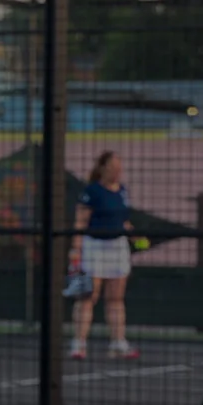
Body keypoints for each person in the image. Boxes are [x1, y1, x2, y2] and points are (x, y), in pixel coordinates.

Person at [69, 151, 137, 360]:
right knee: (87, 297)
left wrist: (136, 237)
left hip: (118, 247)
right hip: (94, 247)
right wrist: (76, 249)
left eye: (119, 168)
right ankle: (79, 345)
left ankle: (118, 343)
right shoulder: (92, 191)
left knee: (116, 298)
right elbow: (80, 222)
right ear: (102, 168)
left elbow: (124, 220)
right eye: (113, 167)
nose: (117, 172)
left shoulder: (122, 191)